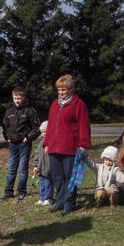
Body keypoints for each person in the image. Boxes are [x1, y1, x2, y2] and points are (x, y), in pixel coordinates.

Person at [44, 74, 92, 215]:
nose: (61, 92)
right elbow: (51, 125)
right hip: (54, 146)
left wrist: (84, 145)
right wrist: (46, 143)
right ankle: (59, 201)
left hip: (70, 148)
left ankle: (68, 203)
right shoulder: (54, 104)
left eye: (63, 90)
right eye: (59, 89)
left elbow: (84, 126)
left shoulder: (79, 105)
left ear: (71, 89)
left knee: (69, 177)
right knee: (57, 177)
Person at [1, 87, 40, 201]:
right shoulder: (9, 111)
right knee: (11, 169)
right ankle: (8, 192)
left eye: (19, 98)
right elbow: (5, 126)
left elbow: (36, 129)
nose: (17, 100)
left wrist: (28, 138)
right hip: (12, 144)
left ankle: (21, 192)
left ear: (24, 97)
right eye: (15, 98)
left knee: (23, 169)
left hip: (24, 144)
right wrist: (7, 137)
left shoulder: (30, 111)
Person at [32, 121, 53, 205]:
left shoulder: (51, 143)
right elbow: (37, 155)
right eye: (42, 132)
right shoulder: (41, 143)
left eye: (45, 132)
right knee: (42, 183)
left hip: (48, 167)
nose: (43, 134)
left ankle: (48, 198)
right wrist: (35, 165)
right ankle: (42, 197)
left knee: (48, 183)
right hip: (40, 167)